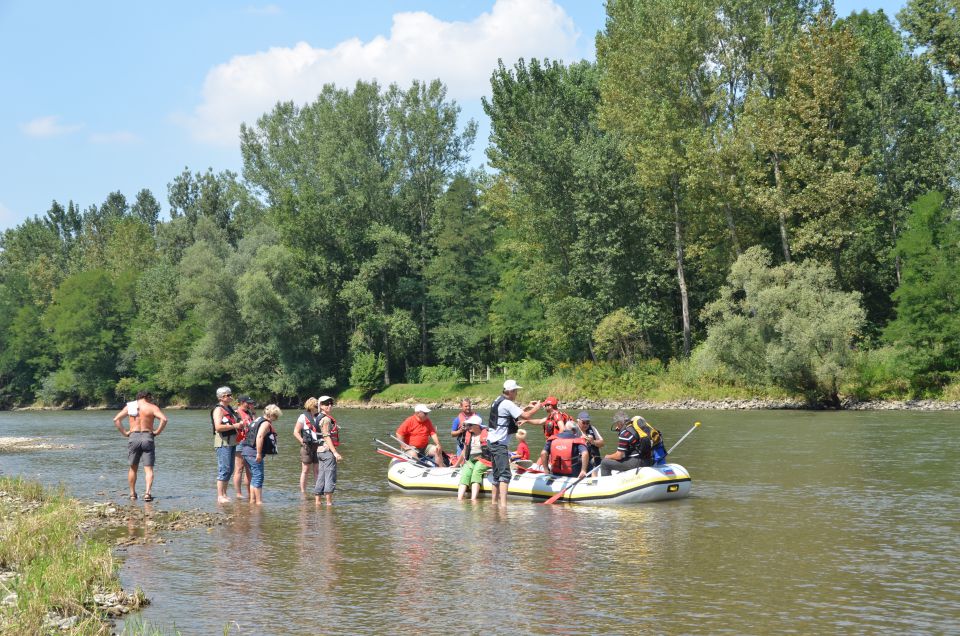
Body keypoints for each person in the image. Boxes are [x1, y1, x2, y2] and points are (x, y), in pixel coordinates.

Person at [488, 380, 541, 506]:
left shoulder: (498, 399)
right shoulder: (507, 403)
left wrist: (527, 407)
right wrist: (537, 407)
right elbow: (526, 416)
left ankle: (494, 504)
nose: (517, 393)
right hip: (499, 444)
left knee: (496, 475)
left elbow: (512, 413)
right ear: (511, 391)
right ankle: (503, 507)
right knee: (505, 475)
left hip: (492, 441)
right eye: (516, 391)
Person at [112, 390, 167, 501]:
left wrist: (125, 433)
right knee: (149, 469)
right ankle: (147, 493)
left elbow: (116, 419)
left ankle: (132, 494)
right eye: (151, 397)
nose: (151, 399)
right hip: (148, 437)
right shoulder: (152, 407)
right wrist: (157, 431)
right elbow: (164, 419)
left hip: (134, 436)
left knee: (133, 468)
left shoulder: (131, 406)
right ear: (147, 396)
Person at [239, 404, 281, 505]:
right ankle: (258, 501)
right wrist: (258, 453)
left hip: (245, 450)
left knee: (254, 476)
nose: (276, 419)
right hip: (253, 452)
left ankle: (252, 500)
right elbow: (260, 437)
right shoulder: (265, 423)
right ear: (272, 415)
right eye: (276, 416)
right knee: (258, 476)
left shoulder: (257, 419)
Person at [211, 386, 242, 504]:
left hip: (232, 442)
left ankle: (224, 493)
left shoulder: (229, 408)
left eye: (230, 394)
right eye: (229, 395)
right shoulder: (218, 410)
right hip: (223, 443)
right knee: (224, 469)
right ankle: (220, 496)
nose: (231, 397)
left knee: (230, 469)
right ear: (222, 397)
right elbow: (218, 427)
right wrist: (235, 426)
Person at [600, 411, 653, 476]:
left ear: (619, 423)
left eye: (616, 424)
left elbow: (619, 456)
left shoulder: (625, 433)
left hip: (637, 462)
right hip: (648, 460)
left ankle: (606, 484)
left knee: (604, 463)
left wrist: (608, 456)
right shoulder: (636, 428)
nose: (616, 426)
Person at [314, 396, 343, 506]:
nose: (329, 405)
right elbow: (326, 436)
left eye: (331, 403)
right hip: (327, 452)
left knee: (321, 476)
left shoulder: (318, 417)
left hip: (320, 451)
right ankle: (329, 503)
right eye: (326, 403)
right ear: (321, 405)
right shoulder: (325, 419)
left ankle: (317, 502)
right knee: (330, 476)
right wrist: (335, 452)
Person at [455, 415, 489, 501]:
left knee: (476, 471)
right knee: (465, 472)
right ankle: (459, 499)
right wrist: (456, 464)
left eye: (470, 425)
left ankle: (473, 499)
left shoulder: (487, 435)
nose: (467, 427)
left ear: (477, 426)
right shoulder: (469, 435)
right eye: (467, 425)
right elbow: (464, 451)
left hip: (484, 460)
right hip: (471, 460)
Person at [293, 397, 321, 493]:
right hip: (306, 447)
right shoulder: (303, 417)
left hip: (318, 446)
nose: (318, 407)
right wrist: (302, 441)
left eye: (318, 405)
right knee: (305, 470)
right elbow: (296, 432)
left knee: (317, 470)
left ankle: (318, 490)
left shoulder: (319, 417)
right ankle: (303, 491)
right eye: (316, 405)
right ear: (310, 406)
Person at [233, 395, 256, 499]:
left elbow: (255, 425)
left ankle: (250, 493)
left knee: (249, 469)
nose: (250, 404)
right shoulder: (235, 412)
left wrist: (253, 411)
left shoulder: (249, 412)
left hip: (250, 442)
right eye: (248, 403)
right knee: (239, 468)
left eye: (251, 403)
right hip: (240, 442)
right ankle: (238, 494)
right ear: (242, 402)